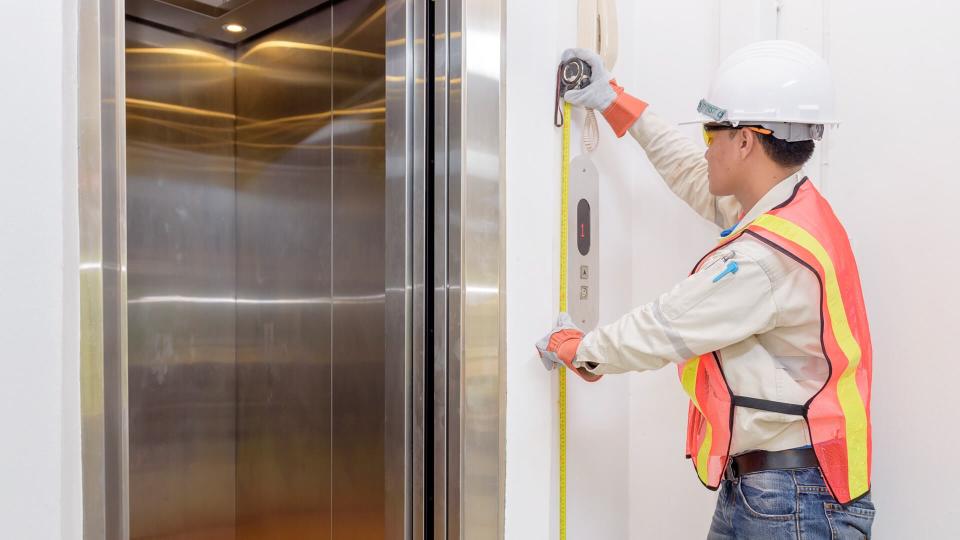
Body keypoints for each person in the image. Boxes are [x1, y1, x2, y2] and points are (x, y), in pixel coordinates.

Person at [537, 41, 875, 539]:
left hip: (793, 499)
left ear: (745, 142)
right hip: (781, 487)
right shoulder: (793, 208)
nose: (706, 144)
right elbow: (692, 174)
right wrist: (613, 100)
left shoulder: (766, 257)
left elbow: (668, 325)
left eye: (712, 130)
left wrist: (580, 350)